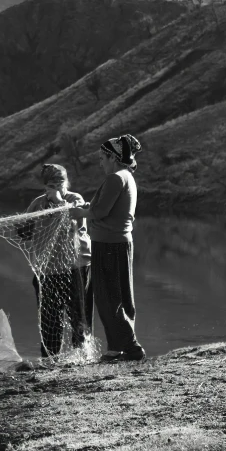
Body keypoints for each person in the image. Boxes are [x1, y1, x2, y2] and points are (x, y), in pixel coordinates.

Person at [82, 134, 146, 363]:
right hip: (120, 243)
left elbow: (100, 212)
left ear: (113, 157)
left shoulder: (115, 178)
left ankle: (130, 346)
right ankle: (117, 347)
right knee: (121, 297)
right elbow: (105, 208)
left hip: (108, 244)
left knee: (107, 298)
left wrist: (79, 213)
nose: (100, 163)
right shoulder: (127, 177)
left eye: (102, 158)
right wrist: (90, 208)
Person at [24, 163, 92, 357]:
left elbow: (75, 222)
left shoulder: (74, 199)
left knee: (78, 316)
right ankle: (50, 359)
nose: (57, 186)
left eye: (60, 182)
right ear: (45, 185)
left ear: (67, 182)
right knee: (49, 319)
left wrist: (59, 200)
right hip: (47, 270)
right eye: (52, 183)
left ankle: (82, 357)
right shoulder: (38, 203)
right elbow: (24, 232)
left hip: (75, 266)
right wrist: (27, 222)